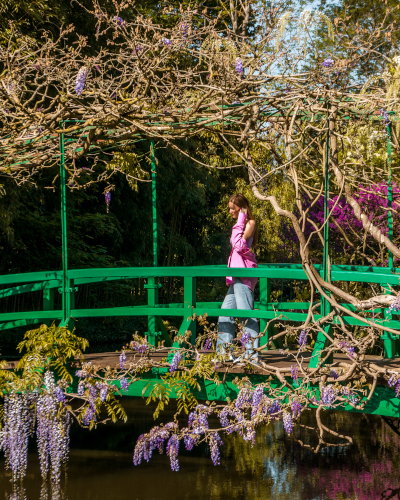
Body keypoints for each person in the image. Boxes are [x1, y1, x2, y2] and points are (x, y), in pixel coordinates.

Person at [216, 193, 260, 364]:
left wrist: (241, 218)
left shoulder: (250, 223)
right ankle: (223, 352)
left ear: (241, 208)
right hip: (236, 275)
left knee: (246, 316)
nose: (230, 211)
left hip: (244, 274)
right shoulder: (240, 224)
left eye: (232, 208)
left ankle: (252, 356)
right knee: (225, 314)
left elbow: (238, 245)